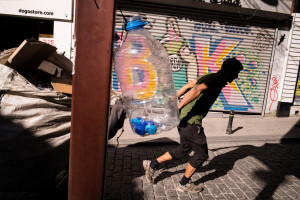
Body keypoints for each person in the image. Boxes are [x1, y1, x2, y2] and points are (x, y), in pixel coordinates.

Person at [143, 57, 243, 193]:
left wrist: (173, 103)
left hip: (183, 119)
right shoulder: (217, 80)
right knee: (201, 155)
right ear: (229, 70)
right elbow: (195, 91)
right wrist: (177, 107)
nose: (236, 76)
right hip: (191, 122)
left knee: (183, 150)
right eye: (236, 72)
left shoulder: (210, 75)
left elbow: (187, 85)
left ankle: (152, 164)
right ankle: (183, 184)